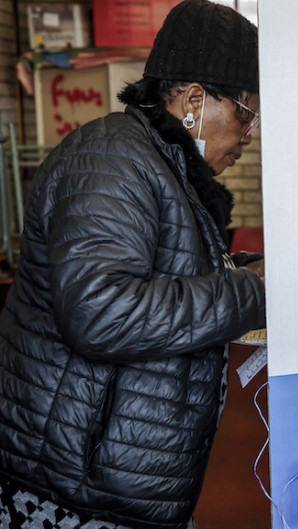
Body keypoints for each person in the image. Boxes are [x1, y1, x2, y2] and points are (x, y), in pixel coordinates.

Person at [0, 2, 265, 528]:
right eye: (245, 113)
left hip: (116, 486)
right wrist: (253, 292)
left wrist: (249, 270)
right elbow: (101, 311)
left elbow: (162, 272)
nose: (249, 134)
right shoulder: (112, 157)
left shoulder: (156, 165)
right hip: (72, 498)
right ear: (193, 100)